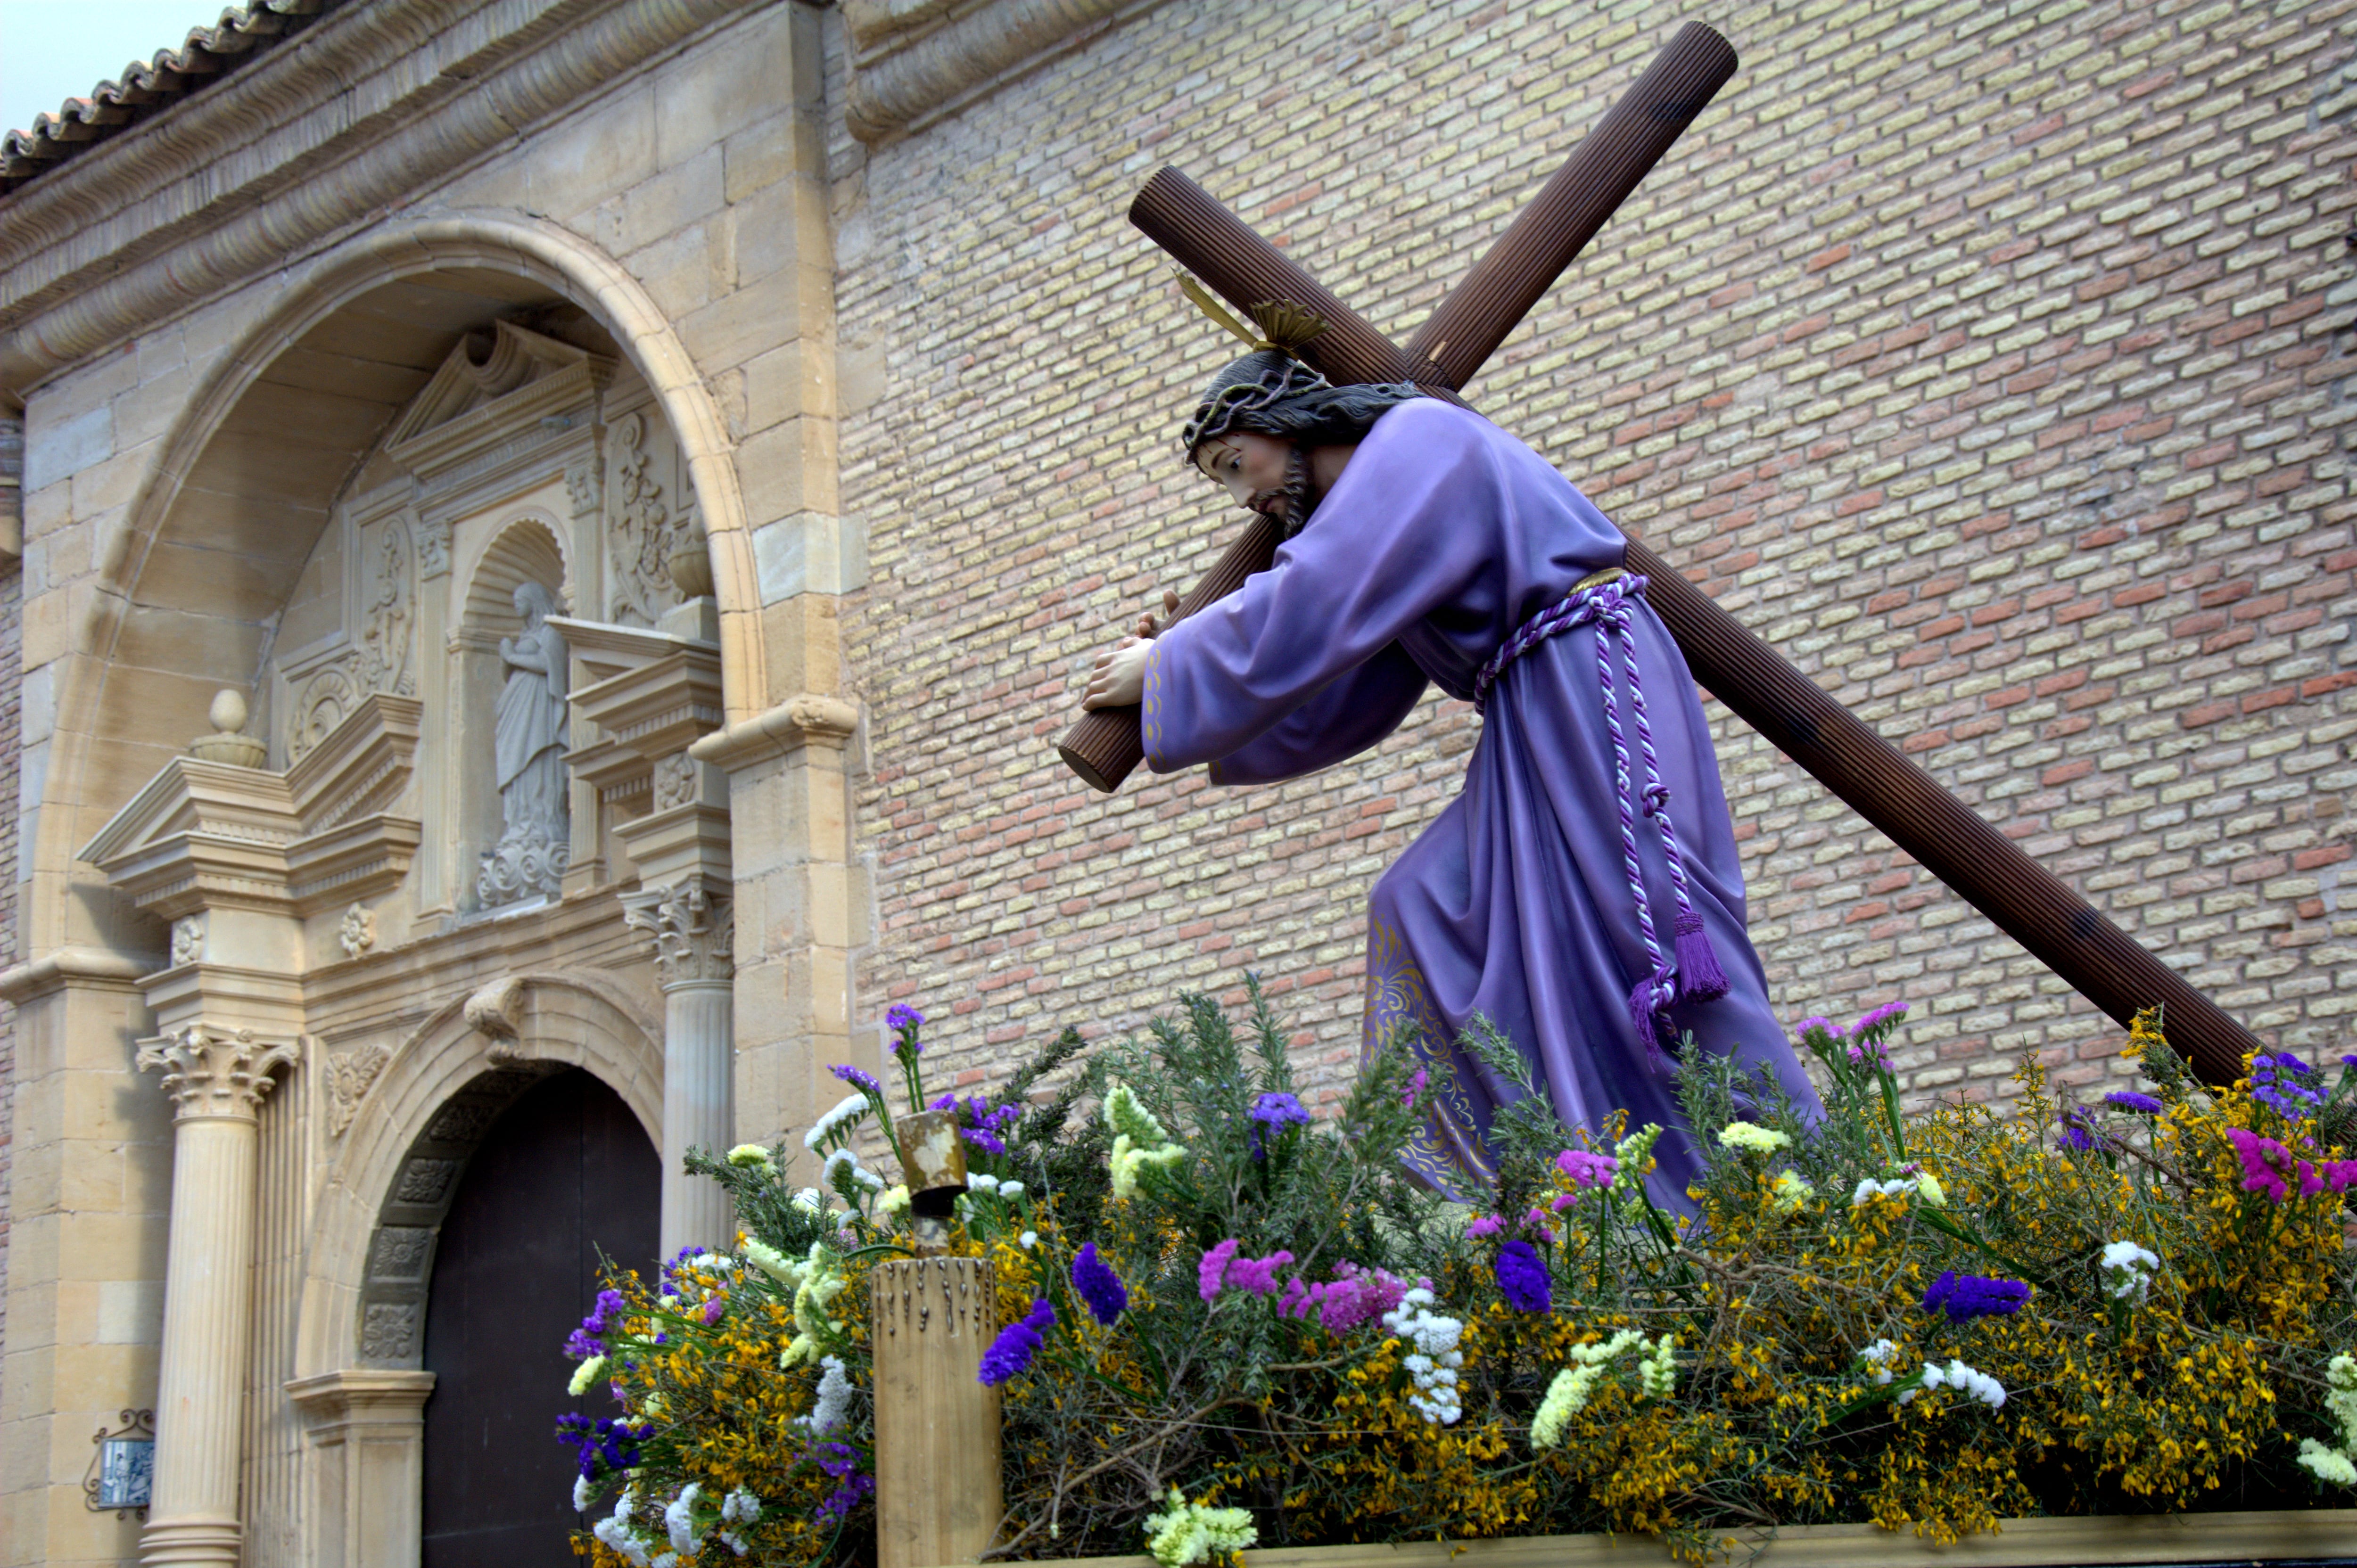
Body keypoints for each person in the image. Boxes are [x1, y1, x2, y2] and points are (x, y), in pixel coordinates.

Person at [1082, 294, 1821, 1207]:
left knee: (1658, 940)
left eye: (1241, 463)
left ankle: (1809, 1190)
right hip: (1524, 718)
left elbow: (1311, 599)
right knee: (1422, 904)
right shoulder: (1373, 534)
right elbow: (1348, 689)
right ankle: (1502, 1193)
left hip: (1592, 677)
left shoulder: (1413, 445)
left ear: (1291, 420)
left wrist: (1173, 666)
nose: (1248, 499)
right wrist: (1189, 698)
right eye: (1225, 483)